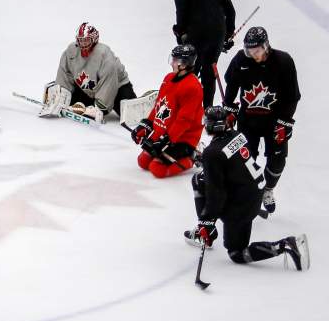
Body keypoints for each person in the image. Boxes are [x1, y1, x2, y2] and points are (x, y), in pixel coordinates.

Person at [185, 106, 308, 270]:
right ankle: (208, 229)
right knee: (199, 179)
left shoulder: (212, 153)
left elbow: (216, 194)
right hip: (253, 195)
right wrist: (208, 163)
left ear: (209, 125)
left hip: (241, 207)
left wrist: (207, 222)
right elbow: (231, 162)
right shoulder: (237, 135)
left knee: (237, 253)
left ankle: (285, 245)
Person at [223, 27, 300, 215]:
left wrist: (286, 122)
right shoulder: (241, 60)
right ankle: (249, 191)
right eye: (249, 51)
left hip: (274, 122)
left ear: (266, 46)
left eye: (256, 51)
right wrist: (229, 109)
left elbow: (292, 96)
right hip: (248, 120)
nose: (252, 55)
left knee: (278, 160)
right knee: (244, 159)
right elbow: (231, 85)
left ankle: (267, 189)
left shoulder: (283, 62)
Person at [174, 0, 236, 108]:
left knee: (190, 72)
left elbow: (181, 9)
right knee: (209, 73)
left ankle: (189, 108)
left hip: (196, 34)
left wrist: (180, 33)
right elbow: (230, 11)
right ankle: (207, 108)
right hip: (216, 35)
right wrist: (228, 34)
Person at [132, 45, 204, 179]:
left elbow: (184, 120)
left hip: (183, 137)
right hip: (164, 132)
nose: (172, 63)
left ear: (185, 64)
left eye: (176, 60)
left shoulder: (193, 87)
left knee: (157, 168)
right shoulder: (168, 78)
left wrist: (166, 140)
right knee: (142, 162)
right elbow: (159, 106)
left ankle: (192, 156)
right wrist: (147, 124)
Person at [41, 23, 136, 122]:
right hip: (89, 89)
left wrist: (100, 108)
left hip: (117, 87)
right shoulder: (71, 51)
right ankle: (87, 103)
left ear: (94, 39)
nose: (83, 44)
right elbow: (65, 73)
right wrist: (60, 95)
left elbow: (109, 82)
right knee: (68, 103)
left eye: (86, 40)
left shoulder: (104, 54)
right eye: (81, 40)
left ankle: (104, 104)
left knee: (130, 114)